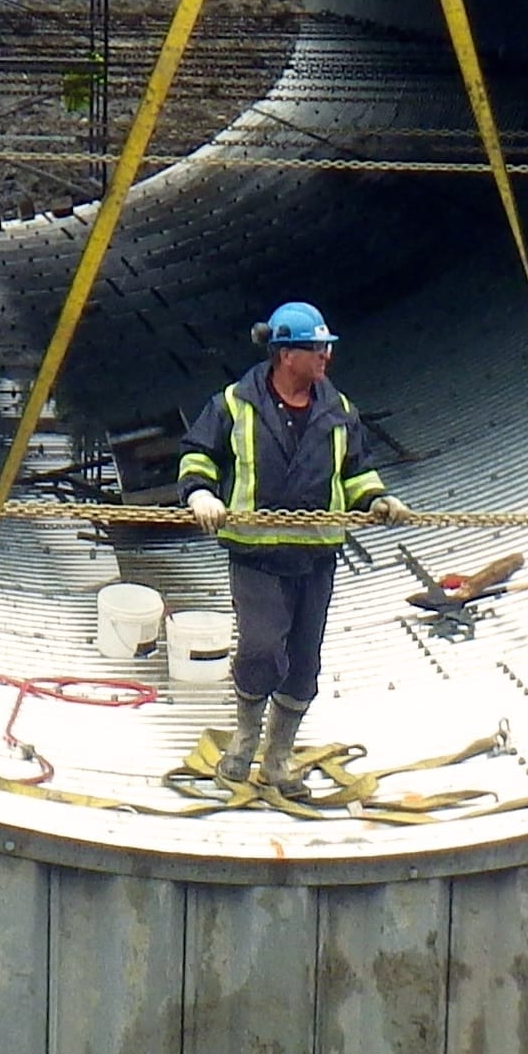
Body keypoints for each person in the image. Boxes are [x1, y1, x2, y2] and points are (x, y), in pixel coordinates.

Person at [176, 301, 407, 785]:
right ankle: (244, 742)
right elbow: (199, 454)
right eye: (317, 348)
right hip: (257, 555)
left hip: (316, 557)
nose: (326, 356)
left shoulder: (339, 410)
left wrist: (378, 499)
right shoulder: (234, 404)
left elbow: (357, 470)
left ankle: (277, 758)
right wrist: (199, 493)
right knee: (261, 650)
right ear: (285, 354)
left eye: (326, 347)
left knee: (304, 663)